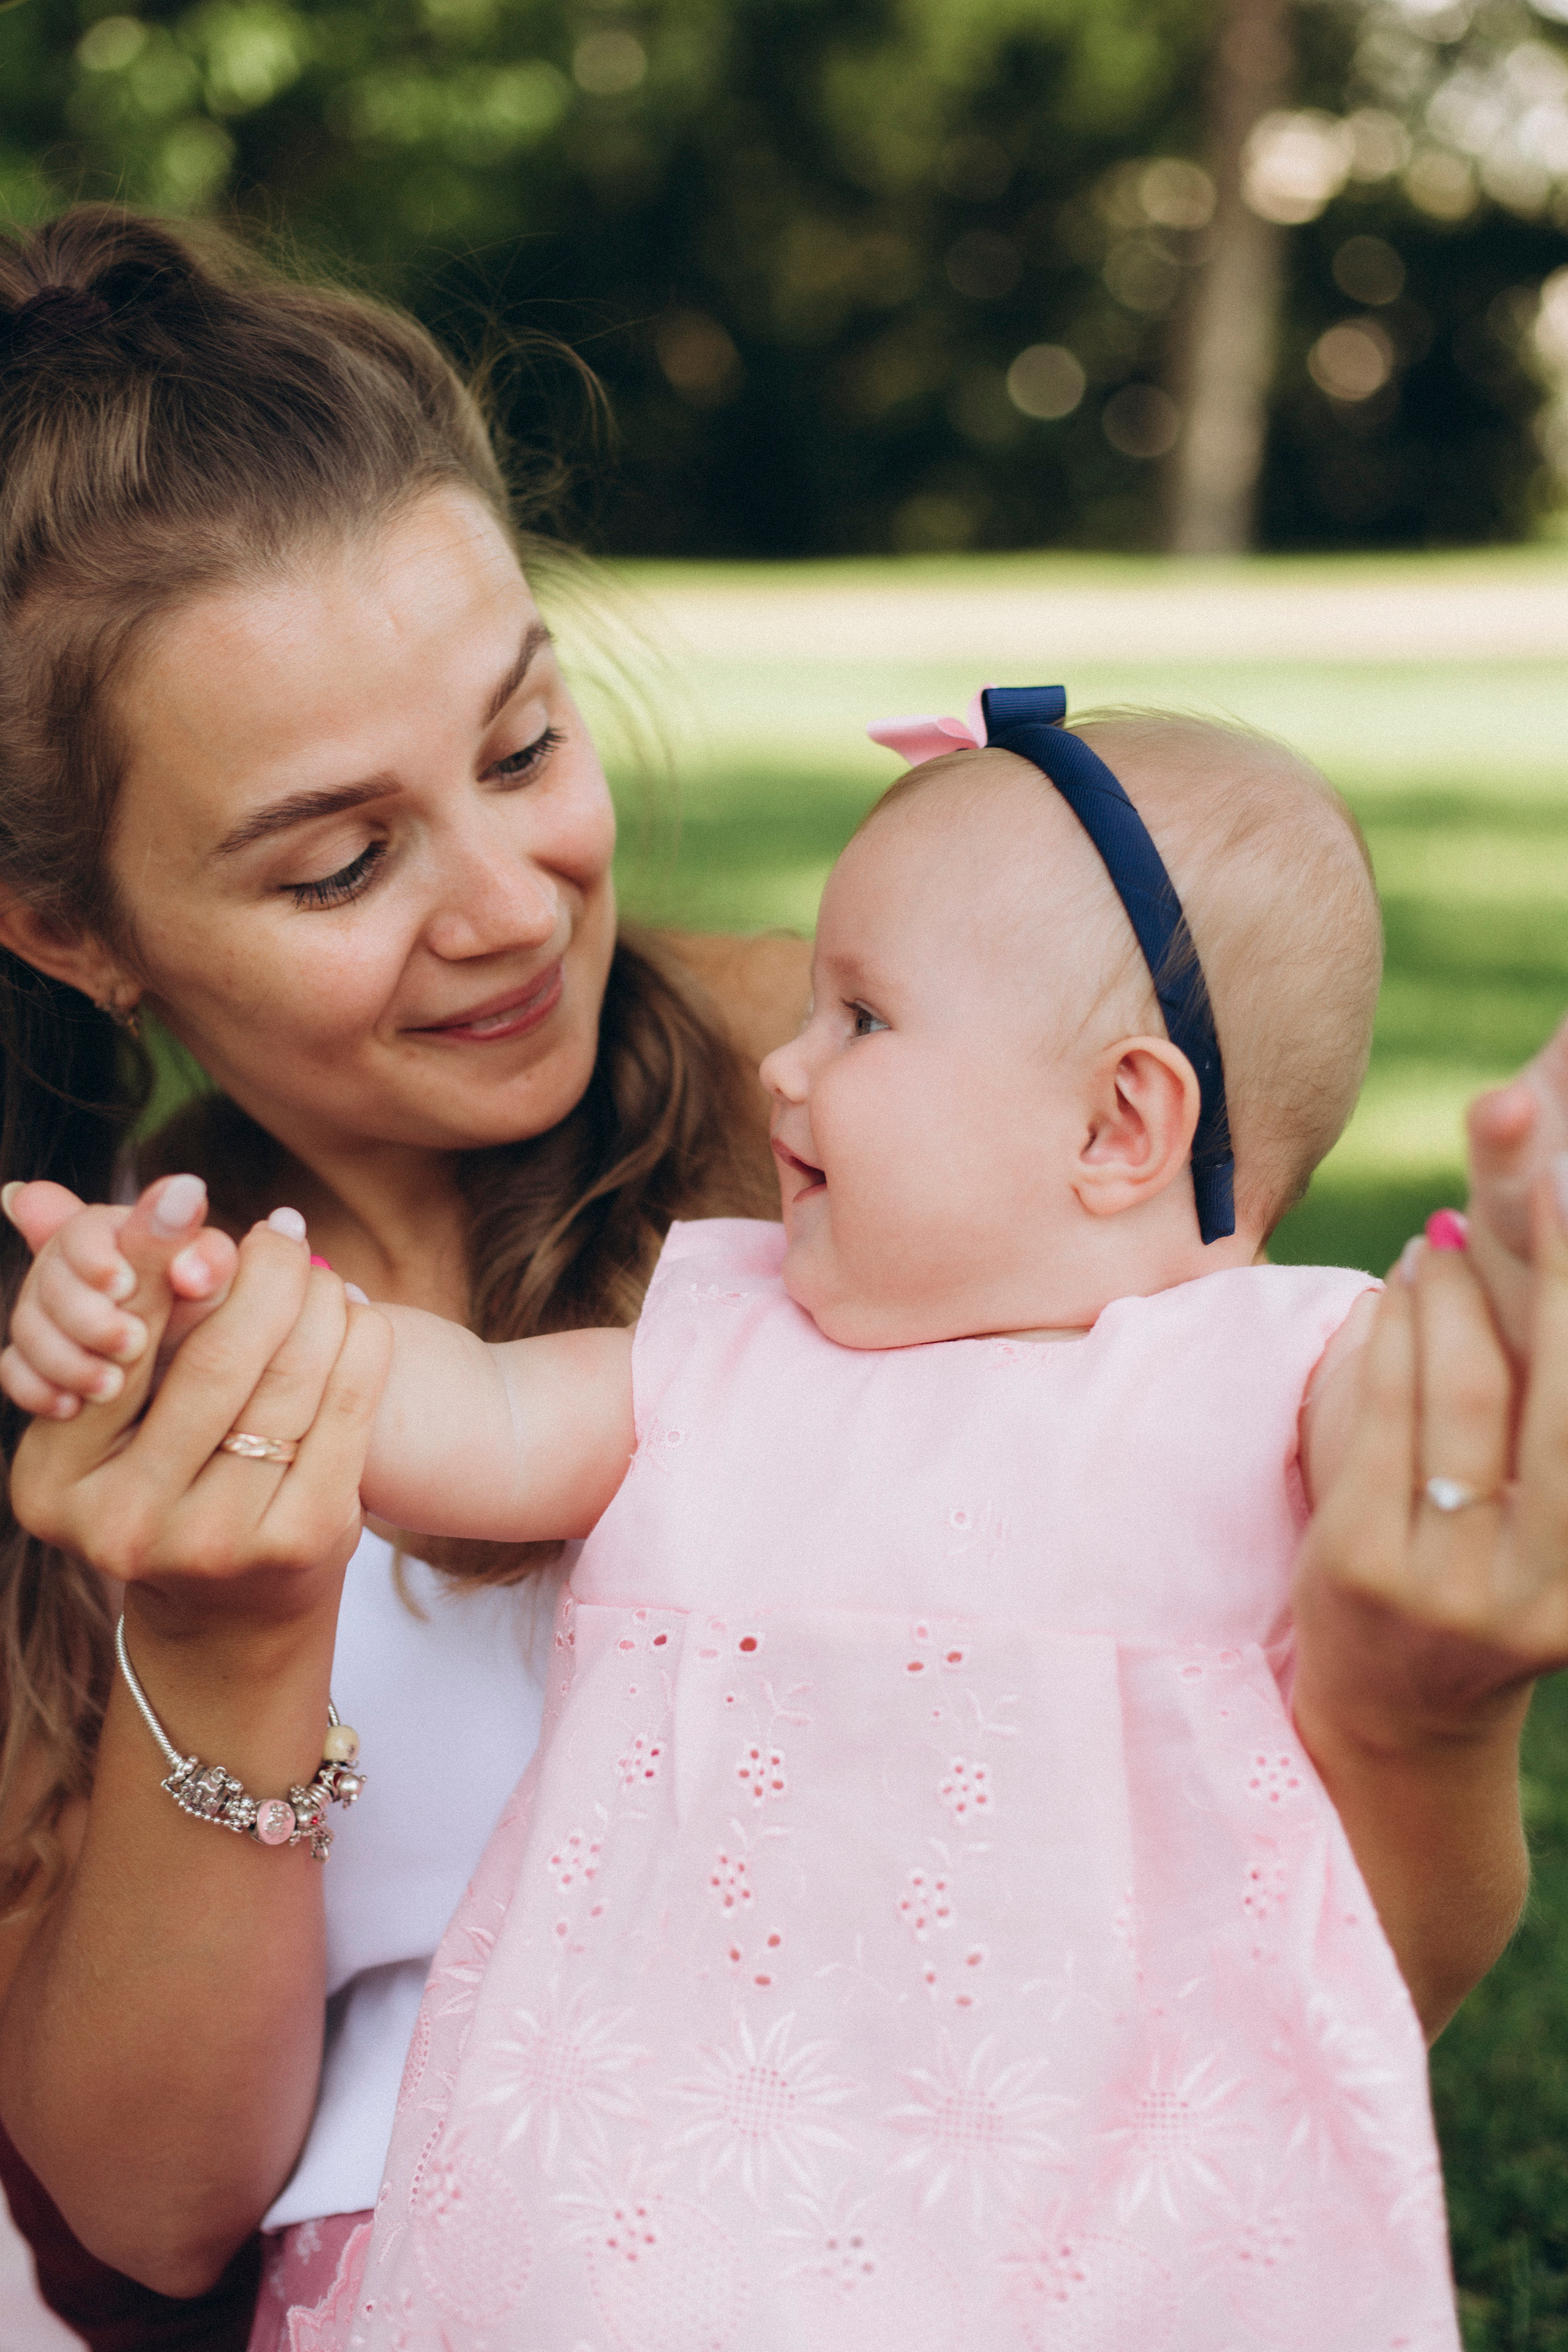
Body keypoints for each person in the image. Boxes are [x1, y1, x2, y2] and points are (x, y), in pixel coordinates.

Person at [24, 695, 1568, 2347]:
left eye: (864, 1020)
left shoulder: (1274, 1378)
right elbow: (451, 1409)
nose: (786, 1057)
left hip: (1066, 2227)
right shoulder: (724, 1344)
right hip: (634, 2213)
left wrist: (1527, 1292)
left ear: (1122, 1126)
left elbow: (1453, 1416)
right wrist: (213, 1313)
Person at [0, 203, 805, 2350]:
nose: (511, 909)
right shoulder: (87, 1379)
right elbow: (149, 2229)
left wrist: (1417, 1697)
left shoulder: (872, 1118)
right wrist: (227, 1629)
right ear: (75, 932)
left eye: (525, 748)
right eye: (344, 861)